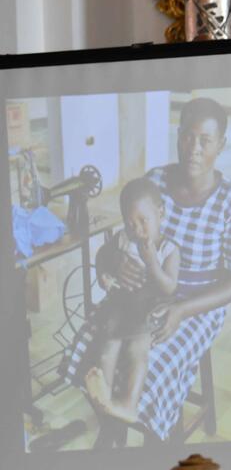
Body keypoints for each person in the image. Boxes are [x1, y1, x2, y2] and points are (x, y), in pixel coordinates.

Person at [63, 98, 231, 441]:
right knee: (90, 341)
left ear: (221, 145)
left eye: (205, 140)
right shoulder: (155, 182)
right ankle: (113, 426)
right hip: (140, 298)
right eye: (187, 137)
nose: (193, 149)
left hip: (197, 305)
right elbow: (121, 238)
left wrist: (181, 309)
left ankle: (132, 443)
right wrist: (113, 263)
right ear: (178, 135)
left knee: (150, 361)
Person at [83, 177, 181, 424]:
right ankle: (103, 399)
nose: (136, 229)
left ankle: (128, 404)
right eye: (130, 223)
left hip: (148, 308)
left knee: (137, 351)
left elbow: (169, 287)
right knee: (108, 343)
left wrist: (152, 263)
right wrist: (105, 275)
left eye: (143, 221)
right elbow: (105, 258)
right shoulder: (124, 238)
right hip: (122, 305)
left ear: (160, 213)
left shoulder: (168, 249)